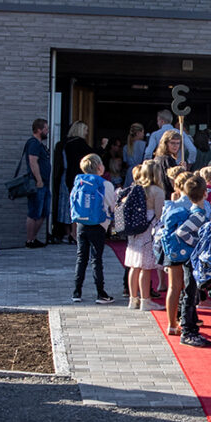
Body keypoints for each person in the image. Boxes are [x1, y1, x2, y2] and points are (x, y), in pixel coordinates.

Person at [161, 172, 210, 346]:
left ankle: (184, 325)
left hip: (185, 255)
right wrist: (197, 243)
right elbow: (182, 232)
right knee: (188, 292)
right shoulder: (198, 214)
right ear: (205, 193)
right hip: (190, 257)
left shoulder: (193, 210)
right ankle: (188, 330)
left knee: (185, 290)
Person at [68, 153, 118, 304]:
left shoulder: (79, 182)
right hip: (98, 224)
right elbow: (111, 204)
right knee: (96, 259)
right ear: (98, 166)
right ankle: (100, 293)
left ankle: (76, 292)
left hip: (81, 223)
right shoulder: (105, 184)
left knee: (81, 257)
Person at [121, 159, 167, 310]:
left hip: (134, 230)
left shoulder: (135, 188)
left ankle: (133, 299)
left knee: (134, 266)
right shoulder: (157, 191)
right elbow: (160, 214)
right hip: (149, 229)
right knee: (146, 267)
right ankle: (145, 300)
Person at [59, 120, 93, 242]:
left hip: (67, 176)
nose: (87, 133)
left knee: (69, 205)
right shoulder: (79, 143)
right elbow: (92, 155)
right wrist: (103, 147)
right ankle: (75, 233)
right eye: (85, 130)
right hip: (77, 177)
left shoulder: (66, 143)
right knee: (78, 205)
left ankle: (69, 232)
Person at [18, 119, 49, 248]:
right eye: (46, 129)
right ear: (38, 130)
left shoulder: (40, 144)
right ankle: (29, 240)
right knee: (34, 212)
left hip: (45, 183)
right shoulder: (34, 144)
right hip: (38, 183)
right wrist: (39, 180)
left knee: (43, 212)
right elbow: (32, 162)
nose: (47, 131)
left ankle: (34, 238)